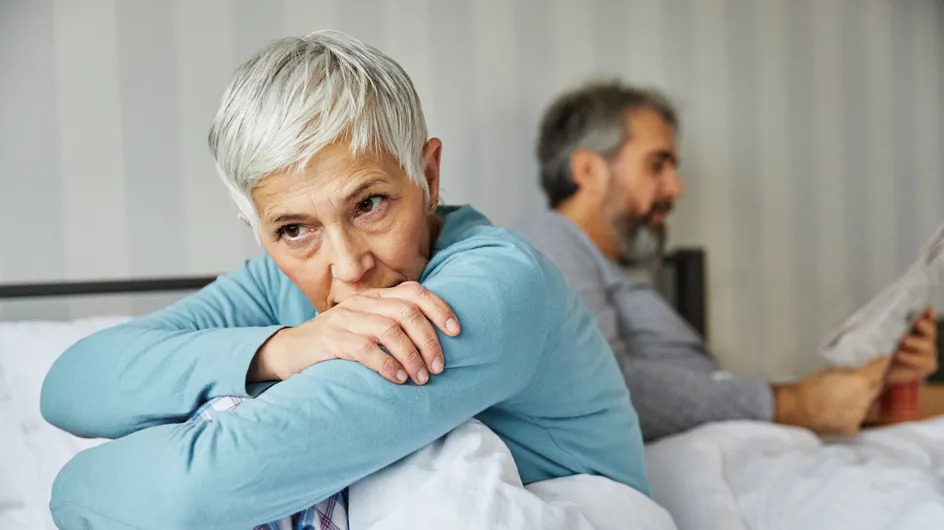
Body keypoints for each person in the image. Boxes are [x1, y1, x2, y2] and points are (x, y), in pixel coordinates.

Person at [40, 34, 649, 529]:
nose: (348, 265)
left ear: (428, 177)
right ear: (260, 233)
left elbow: (186, 496)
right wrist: (282, 348)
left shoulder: (490, 291)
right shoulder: (275, 290)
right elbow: (71, 385)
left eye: (370, 204)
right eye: (294, 230)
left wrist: (74, 484)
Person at [513, 81, 939, 442]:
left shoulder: (606, 268)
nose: (675, 188)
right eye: (657, 164)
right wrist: (796, 404)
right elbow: (601, 385)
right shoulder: (548, 239)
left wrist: (878, 387)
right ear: (588, 170)